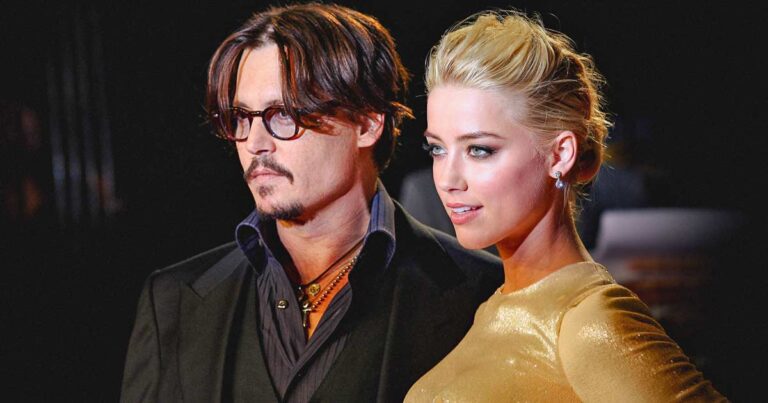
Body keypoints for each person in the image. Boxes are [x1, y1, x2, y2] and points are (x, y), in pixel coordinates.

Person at [119, 3, 502, 402]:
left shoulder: (481, 294)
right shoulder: (174, 300)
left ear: (367, 123)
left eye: (284, 114)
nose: (254, 143)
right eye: (242, 118)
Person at [405, 10, 726, 402]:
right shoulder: (496, 306)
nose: (447, 179)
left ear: (560, 155)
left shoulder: (590, 319)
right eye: (437, 149)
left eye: (480, 150)